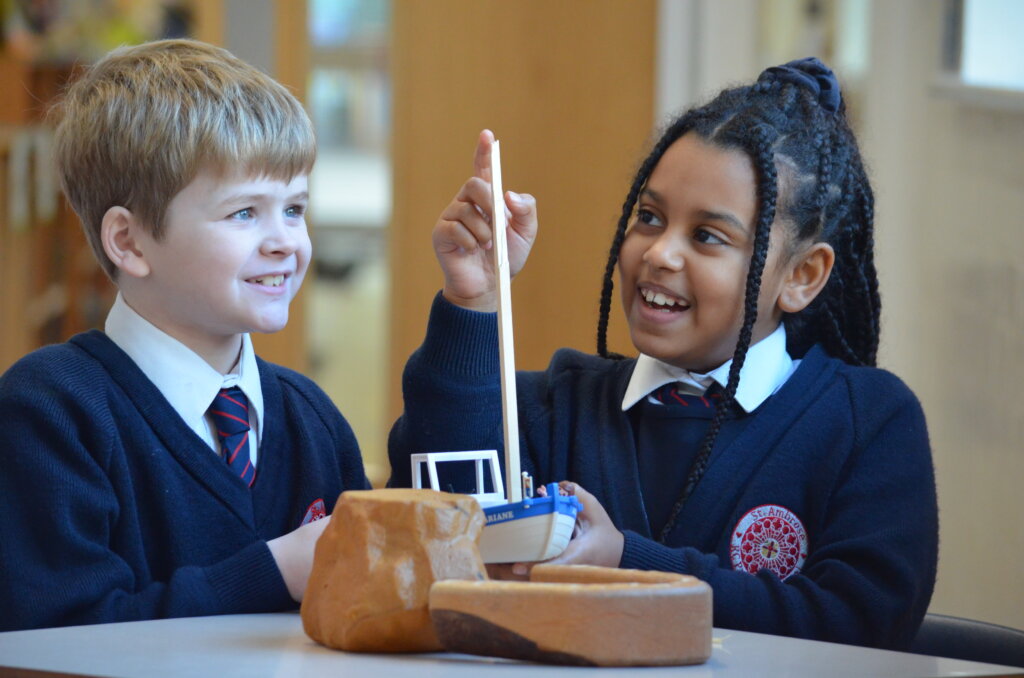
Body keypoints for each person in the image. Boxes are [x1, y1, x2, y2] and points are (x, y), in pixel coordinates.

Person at [388, 58, 937, 650]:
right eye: (648, 218)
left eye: (707, 236)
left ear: (802, 275)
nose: (660, 254)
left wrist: (629, 564)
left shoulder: (866, 423)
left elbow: (861, 623)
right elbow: (432, 522)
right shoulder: (554, 406)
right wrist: (474, 302)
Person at [0, 39, 370, 632]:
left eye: (295, 209)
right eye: (244, 212)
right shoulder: (51, 411)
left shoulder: (313, 419)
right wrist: (275, 572)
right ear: (129, 242)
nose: (285, 242)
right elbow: (57, 635)